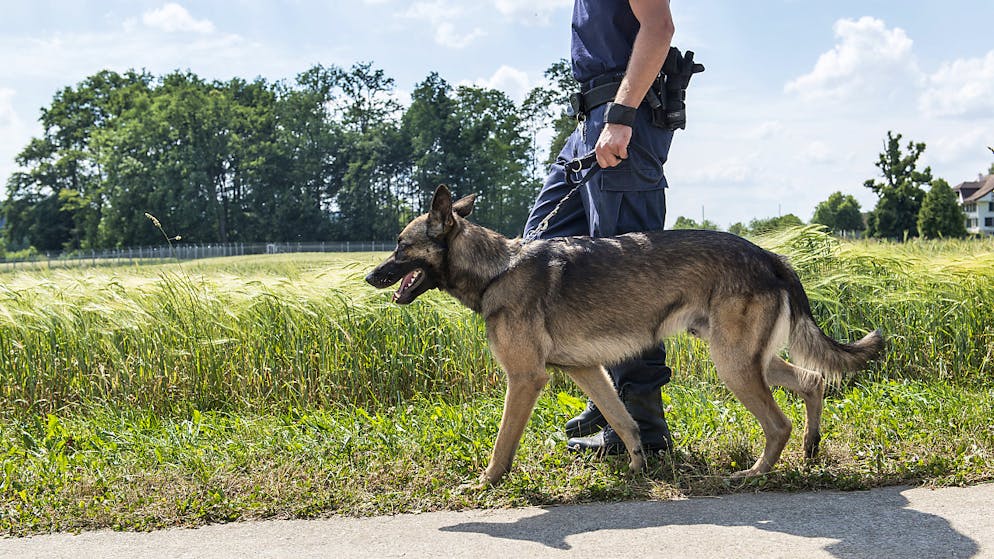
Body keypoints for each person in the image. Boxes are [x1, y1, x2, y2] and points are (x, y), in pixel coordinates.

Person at [522, 0, 681, 455]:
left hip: (622, 116)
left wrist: (622, 115)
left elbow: (659, 26)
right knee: (539, 253)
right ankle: (608, 397)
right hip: (590, 121)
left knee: (626, 279)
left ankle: (644, 428)